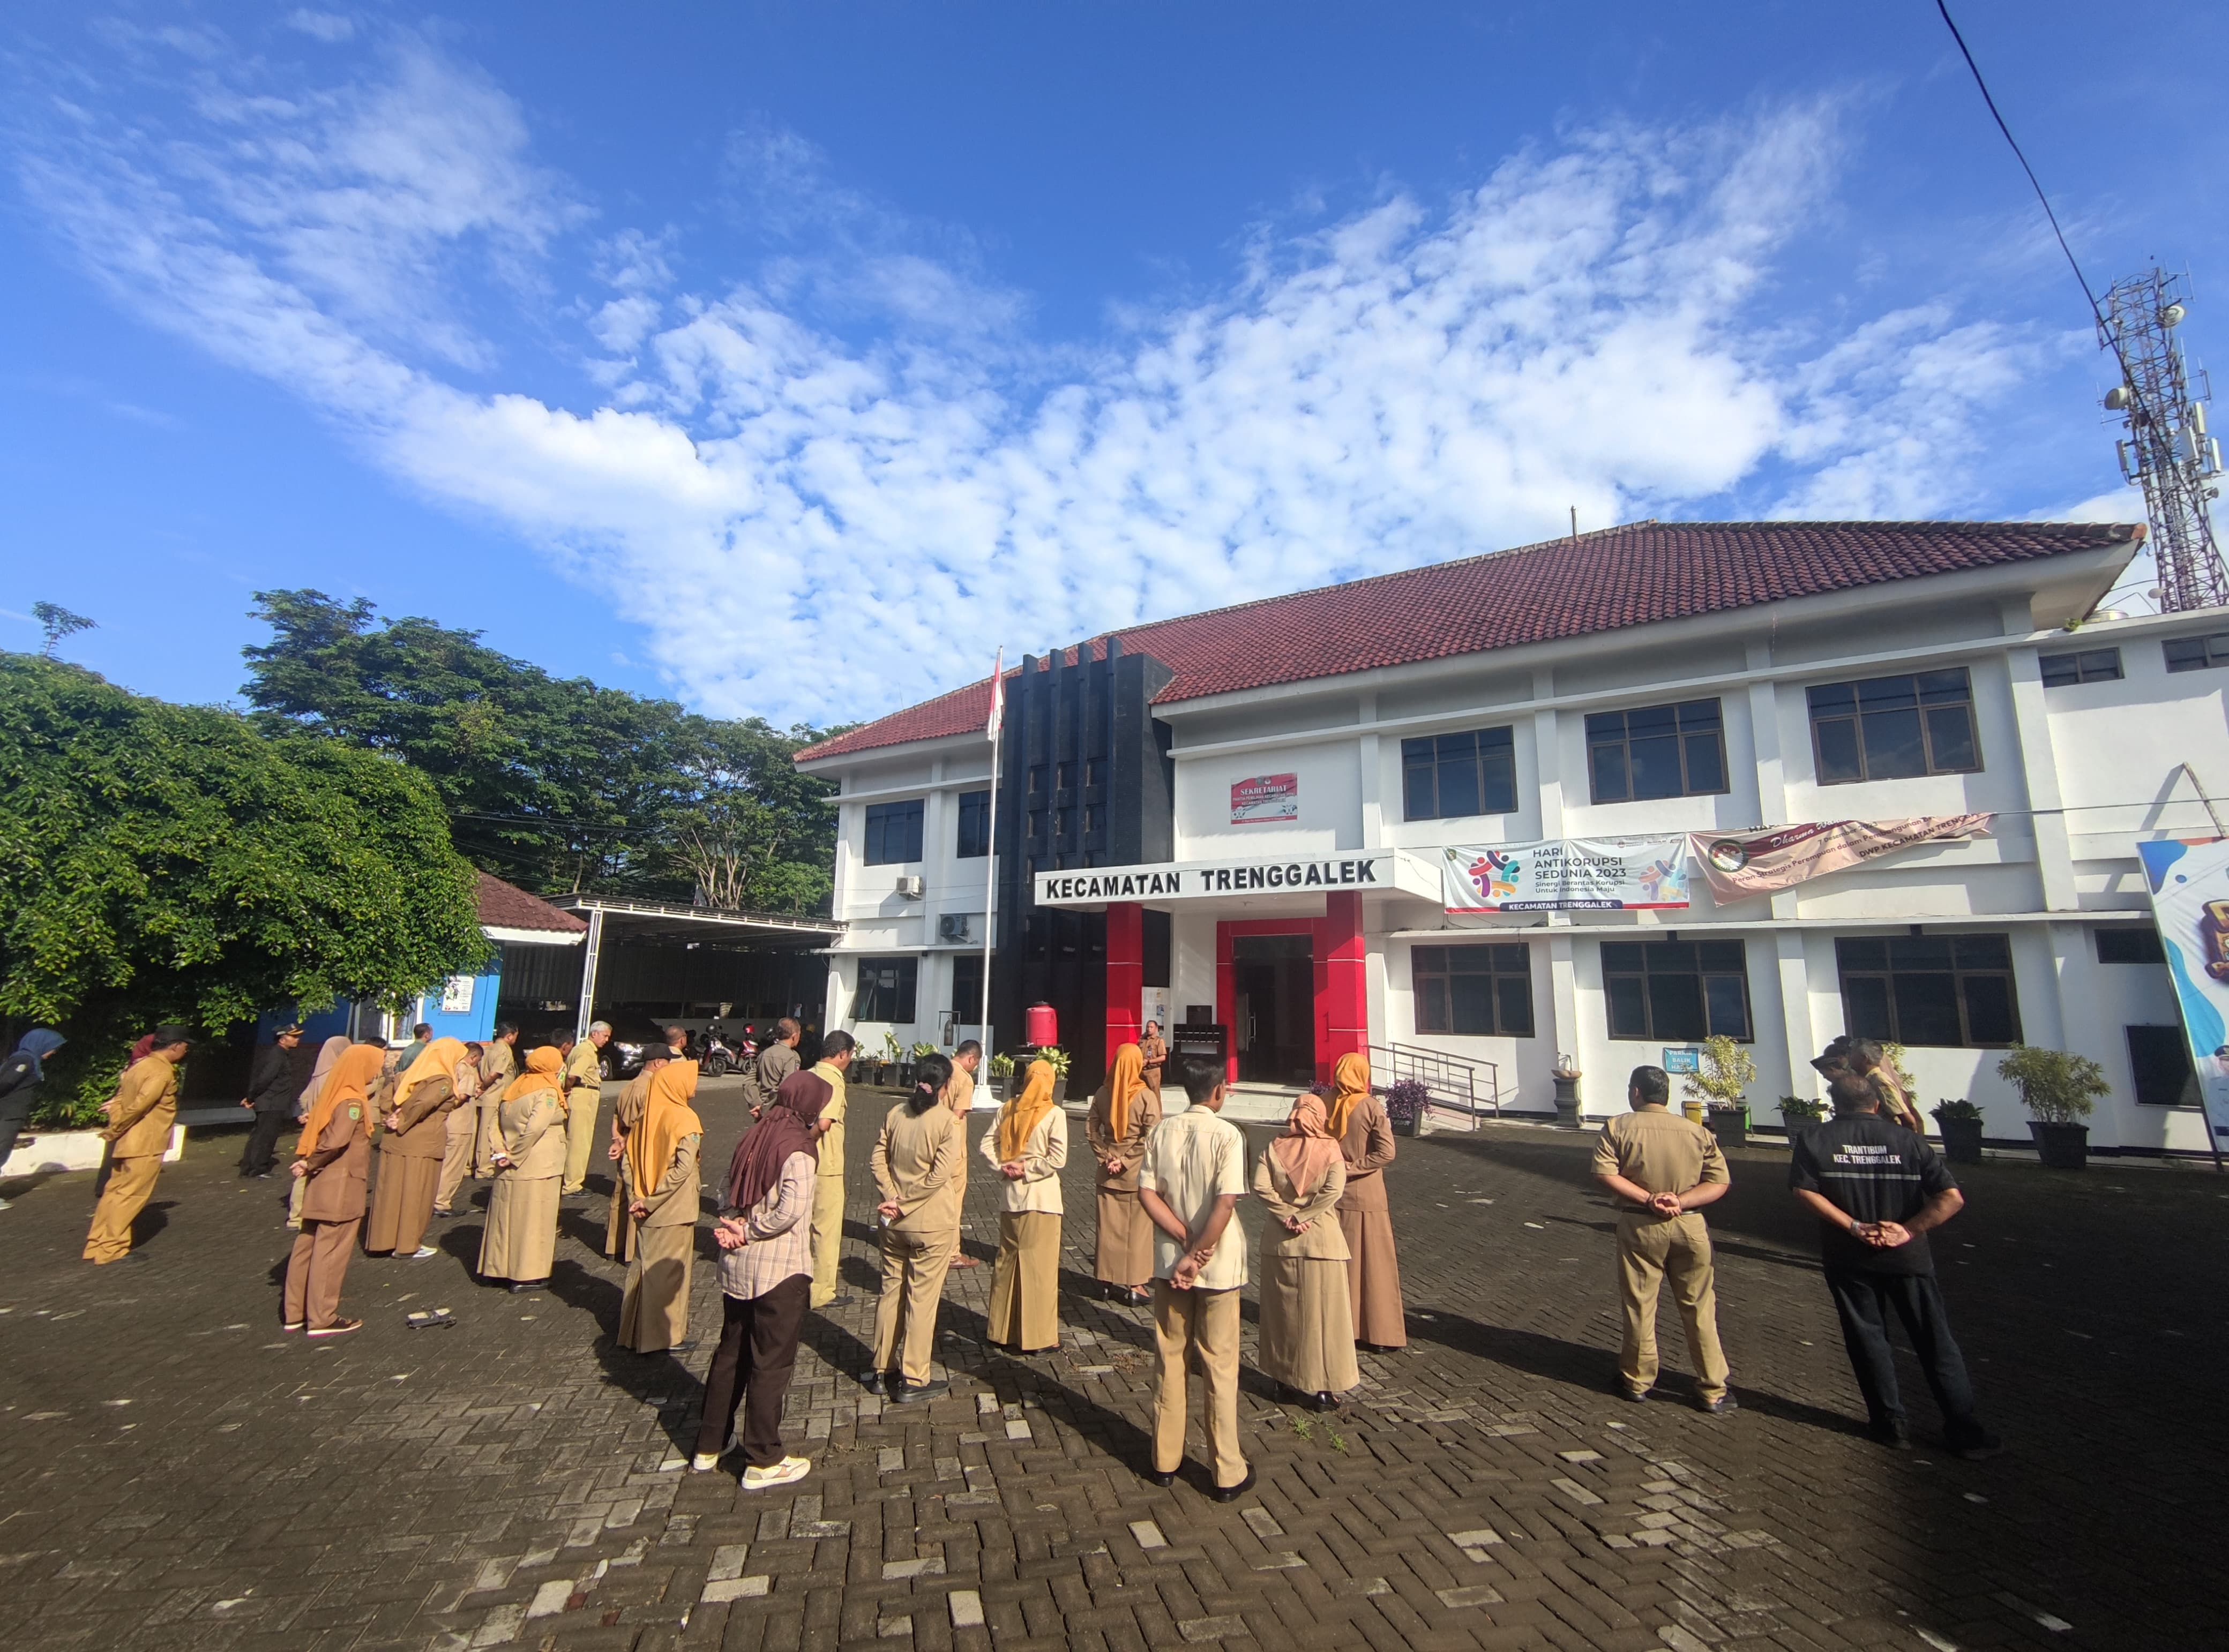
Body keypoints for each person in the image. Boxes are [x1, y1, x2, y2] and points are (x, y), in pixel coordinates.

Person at [1791, 1074, 2001, 1457]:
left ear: (1833, 1103)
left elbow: (1804, 1191)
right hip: (1909, 1259)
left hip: (1849, 1256)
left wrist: (1854, 1227)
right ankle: (1965, 1430)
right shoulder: (1909, 1140)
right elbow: (1951, 1198)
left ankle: (1891, 1425)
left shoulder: (1814, 1140)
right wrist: (1907, 1231)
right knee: (1936, 1342)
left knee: (1868, 1339)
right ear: (1876, 1103)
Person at [695, 1067, 833, 1488]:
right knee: (770, 1363)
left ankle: (709, 1444)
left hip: (738, 1266)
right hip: (779, 1269)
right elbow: (792, 1210)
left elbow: (724, 1188)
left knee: (730, 1354)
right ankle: (764, 1458)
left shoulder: (752, 1136)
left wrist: (733, 1223)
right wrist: (752, 1230)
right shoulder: (800, 1149)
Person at [1138, 1055, 1253, 1500]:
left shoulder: (1162, 1131)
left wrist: (1183, 1242)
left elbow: (1146, 1192)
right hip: (1217, 1264)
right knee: (1220, 1365)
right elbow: (1226, 1203)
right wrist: (1200, 1250)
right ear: (1219, 1091)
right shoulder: (1227, 1135)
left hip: (1171, 1260)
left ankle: (1164, 1458)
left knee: (1170, 1356)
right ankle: (1227, 1470)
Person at [1591, 1064, 1735, 1413]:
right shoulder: (1696, 1131)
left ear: (1636, 1092)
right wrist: (1681, 1201)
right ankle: (1713, 1388)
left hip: (1642, 1224)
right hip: (1689, 1223)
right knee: (1700, 1306)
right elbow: (1720, 1183)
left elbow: (1603, 1172)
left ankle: (1637, 1380)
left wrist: (1648, 1199)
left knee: (1640, 1303)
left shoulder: (1618, 1126)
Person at [865, 1054, 964, 1400]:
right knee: (921, 1300)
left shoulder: (895, 1114)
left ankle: (881, 1367)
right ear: (946, 1086)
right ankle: (914, 1377)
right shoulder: (945, 1122)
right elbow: (939, 1176)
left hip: (892, 1222)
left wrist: (891, 1196)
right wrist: (906, 1201)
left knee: (891, 1292)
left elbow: (878, 1157)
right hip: (930, 1223)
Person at [1251, 1092, 1357, 1411]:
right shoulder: (1331, 1148)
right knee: (1323, 1318)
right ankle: (1321, 1388)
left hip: (1280, 1242)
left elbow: (1260, 1186)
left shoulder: (1273, 1147)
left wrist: (1286, 1214)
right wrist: (1305, 1216)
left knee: (1281, 1314)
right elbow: (1334, 1190)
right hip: (1321, 1241)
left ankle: (1282, 1380)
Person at [283, 1041, 386, 1336]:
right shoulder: (352, 1102)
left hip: (322, 1184)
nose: (377, 1071)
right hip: (341, 1184)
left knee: (307, 1245)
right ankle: (322, 1316)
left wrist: (309, 1165)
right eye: (375, 1066)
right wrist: (310, 1163)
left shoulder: (334, 1093)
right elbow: (337, 1141)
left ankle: (295, 1312)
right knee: (332, 1250)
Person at [981, 1056, 1067, 1353]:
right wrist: (1028, 1170)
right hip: (1041, 1198)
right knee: (1039, 1269)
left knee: (1007, 1263)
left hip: (1010, 1197)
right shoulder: (1054, 1113)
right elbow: (1057, 1159)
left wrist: (1003, 1168)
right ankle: (1040, 1338)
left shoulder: (1008, 1108)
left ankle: (1001, 1330)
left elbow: (986, 1144)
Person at [617, 1059, 704, 1354]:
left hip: (643, 1207)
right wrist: (653, 1201)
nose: (693, 1088)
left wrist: (637, 1197)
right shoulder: (685, 1118)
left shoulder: (645, 1117)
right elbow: (682, 1169)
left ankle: (632, 1332)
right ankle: (663, 1338)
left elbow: (626, 1161)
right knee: (668, 1275)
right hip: (672, 1208)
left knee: (643, 1268)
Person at [84, 1027, 190, 1265]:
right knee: (131, 1196)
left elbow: (120, 1101)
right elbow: (140, 1106)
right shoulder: (161, 1071)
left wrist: (117, 1128)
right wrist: (115, 1129)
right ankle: (113, 1248)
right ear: (175, 1046)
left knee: (114, 1193)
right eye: (185, 1047)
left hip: (128, 1142)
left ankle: (97, 1243)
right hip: (146, 1143)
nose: (186, 1051)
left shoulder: (138, 1066)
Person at [366, 1038, 479, 1258]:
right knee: (417, 1194)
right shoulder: (442, 1079)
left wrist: (391, 1118)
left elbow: (386, 1097)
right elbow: (425, 1104)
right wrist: (403, 1122)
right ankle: (408, 1245)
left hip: (395, 1143)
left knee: (390, 1194)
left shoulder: (409, 1074)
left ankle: (383, 1241)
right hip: (422, 1144)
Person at [1328, 1052, 1406, 1350]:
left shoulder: (1323, 1103)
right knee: (1375, 1266)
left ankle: (1342, 1326)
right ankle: (1379, 1333)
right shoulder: (1371, 1107)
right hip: (1368, 1194)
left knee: (1341, 1264)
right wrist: (1355, 1167)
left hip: (1333, 1193)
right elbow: (1387, 1152)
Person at [479, 1047, 567, 1293]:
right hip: (538, 1165)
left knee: (504, 1218)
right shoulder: (547, 1090)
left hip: (507, 1162)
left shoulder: (515, 1086)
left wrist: (501, 1152)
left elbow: (493, 1123)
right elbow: (536, 1128)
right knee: (534, 1220)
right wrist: (515, 1156)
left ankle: (497, 1268)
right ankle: (527, 1275)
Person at [1086, 1042, 1161, 1305]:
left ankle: (1105, 1282)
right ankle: (1136, 1286)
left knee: (1107, 1230)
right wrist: (1126, 1160)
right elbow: (1152, 1138)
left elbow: (1091, 1129)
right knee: (1137, 1233)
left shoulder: (1102, 1093)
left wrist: (1107, 1157)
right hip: (1135, 1175)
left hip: (1107, 1173)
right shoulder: (1145, 1096)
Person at [807, 1031, 856, 1309]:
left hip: (802, 1164)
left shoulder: (807, 1075)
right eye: (850, 1056)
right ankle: (822, 1291)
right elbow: (825, 1123)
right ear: (841, 1054)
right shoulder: (834, 1082)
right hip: (826, 1164)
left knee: (802, 1228)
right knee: (826, 1231)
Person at [287, 1035, 351, 1233]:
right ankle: (299, 1216)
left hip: (311, 1128)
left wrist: (307, 1112)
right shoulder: (334, 1075)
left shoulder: (318, 1073)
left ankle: (297, 1215)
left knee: (305, 1169)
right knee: (310, 1170)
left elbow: (304, 1097)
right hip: (324, 1128)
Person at [605, 1054, 667, 1260]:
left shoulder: (629, 1085)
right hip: (638, 1142)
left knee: (620, 1195)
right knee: (638, 1192)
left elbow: (616, 1116)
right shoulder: (651, 1088)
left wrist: (617, 1140)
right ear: (658, 1063)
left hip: (623, 1139)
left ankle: (614, 1245)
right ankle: (632, 1250)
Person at [0, 1028, 63, 1210]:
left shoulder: (26, 1059)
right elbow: (5, 1083)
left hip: (10, 1114)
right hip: (7, 1115)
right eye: (52, 1048)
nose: (53, 1053)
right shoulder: (25, 1060)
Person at [237, 1024, 305, 1178]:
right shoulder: (277, 1055)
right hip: (271, 1103)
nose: (297, 1040)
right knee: (266, 1136)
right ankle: (257, 1169)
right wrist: (251, 1097)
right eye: (293, 1036)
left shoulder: (280, 1054)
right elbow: (265, 1078)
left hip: (272, 1102)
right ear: (282, 1039)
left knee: (260, 1135)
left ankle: (250, 1167)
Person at [561, 1022, 610, 1197]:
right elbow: (573, 1075)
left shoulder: (578, 1049)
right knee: (579, 1142)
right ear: (594, 1034)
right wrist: (568, 1088)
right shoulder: (587, 1051)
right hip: (584, 1094)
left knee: (573, 1139)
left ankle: (568, 1179)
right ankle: (572, 1184)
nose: (606, 1040)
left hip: (581, 1094)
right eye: (605, 1036)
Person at [948, 1039, 984, 1270]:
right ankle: (952, 1254)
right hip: (952, 1150)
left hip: (926, 1144)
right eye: (976, 1063)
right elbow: (956, 1115)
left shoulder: (937, 1069)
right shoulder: (964, 1078)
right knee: (952, 1203)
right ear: (971, 1058)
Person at [472, 1024, 521, 1178]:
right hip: (495, 1094)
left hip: (483, 1096)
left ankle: (470, 1164)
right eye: (515, 1036)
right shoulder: (504, 1050)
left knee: (476, 1129)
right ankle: (484, 1168)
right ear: (510, 1036)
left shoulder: (487, 1049)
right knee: (488, 1131)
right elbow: (495, 1074)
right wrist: (484, 1086)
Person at [746, 1018, 802, 1118]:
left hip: (762, 1109)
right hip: (780, 1112)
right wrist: (765, 1108)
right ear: (794, 1036)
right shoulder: (792, 1057)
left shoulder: (764, 1054)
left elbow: (748, 1082)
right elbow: (786, 1087)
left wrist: (756, 1104)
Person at [1139, 1022, 1168, 1098]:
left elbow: (1163, 1057)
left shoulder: (1159, 1041)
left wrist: (1149, 1062)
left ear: (1156, 1029)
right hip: (1141, 1070)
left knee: (1154, 1093)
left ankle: (1158, 1110)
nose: (1149, 1029)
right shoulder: (1142, 1041)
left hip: (1153, 1070)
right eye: (1148, 1027)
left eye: (1151, 1027)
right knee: (1141, 1094)